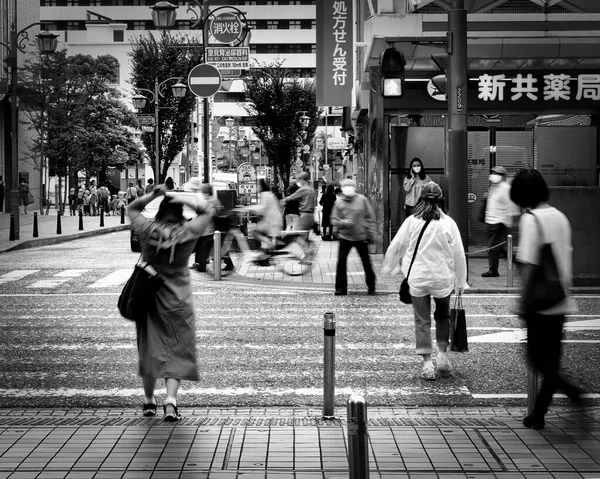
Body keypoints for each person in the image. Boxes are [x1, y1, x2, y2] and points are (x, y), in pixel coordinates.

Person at [127, 184, 211, 422]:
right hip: (179, 298)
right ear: (181, 212)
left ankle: (148, 400)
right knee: (177, 349)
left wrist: (155, 194)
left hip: (149, 298)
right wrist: (178, 195)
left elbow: (132, 208)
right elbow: (206, 211)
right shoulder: (189, 231)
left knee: (149, 347)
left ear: (160, 210)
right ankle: (171, 402)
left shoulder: (147, 229)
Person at [510, 168, 582, 430]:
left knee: (536, 359)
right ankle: (538, 415)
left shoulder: (531, 220)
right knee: (551, 362)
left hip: (539, 301)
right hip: (560, 297)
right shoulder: (560, 217)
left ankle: (573, 392)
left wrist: (522, 300)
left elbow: (528, 264)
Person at [382, 182, 468, 381]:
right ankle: (443, 357)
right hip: (442, 279)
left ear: (420, 199)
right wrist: (461, 282)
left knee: (422, 320)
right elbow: (459, 256)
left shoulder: (412, 221)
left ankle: (427, 363)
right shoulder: (448, 223)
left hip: (418, 279)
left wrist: (390, 266)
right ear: (441, 199)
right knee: (443, 316)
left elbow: (397, 246)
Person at [330, 178, 376, 296]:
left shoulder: (362, 200)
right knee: (341, 262)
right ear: (342, 188)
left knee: (366, 262)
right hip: (345, 237)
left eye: (350, 185)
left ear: (355, 187)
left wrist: (371, 234)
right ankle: (340, 289)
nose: (348, 188)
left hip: (361, 236)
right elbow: (333, 219)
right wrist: (343, 222)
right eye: (346, 186)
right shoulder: (339, 202)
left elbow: (370, 217)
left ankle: (371, 285)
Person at [482, 165, 518, 277]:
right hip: (491, 221)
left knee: (493, 247)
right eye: (493, 173)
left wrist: (508, 221)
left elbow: (512, 207)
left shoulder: (506, 188)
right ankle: (516, 264)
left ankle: (493, 270)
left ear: (502, 176)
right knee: (497, 248)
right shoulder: (493, 187)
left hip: (500, 222)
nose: (493, 175)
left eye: (497, 173)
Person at [280, 172, 315, 260]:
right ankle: (308, 258)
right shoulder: (311, 189)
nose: (298, 182)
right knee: (304, 236)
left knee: (295, 235)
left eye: (299, 179)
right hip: (310, 215)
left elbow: (292, 196)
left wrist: (284, 200)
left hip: (304, 215)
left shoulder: (304, 189)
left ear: (303, 179)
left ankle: (308, 251)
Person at [246, 179, 283, 251]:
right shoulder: (269, 194)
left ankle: (270, 245)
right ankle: (269, 246)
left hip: (271, 221)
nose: (256, 187)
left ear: (261, 186)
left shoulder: (265, 194)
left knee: (254, 233)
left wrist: (248, 208)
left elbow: (262, 207)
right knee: (260, 235)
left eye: (257, 185)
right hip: (272, 220)